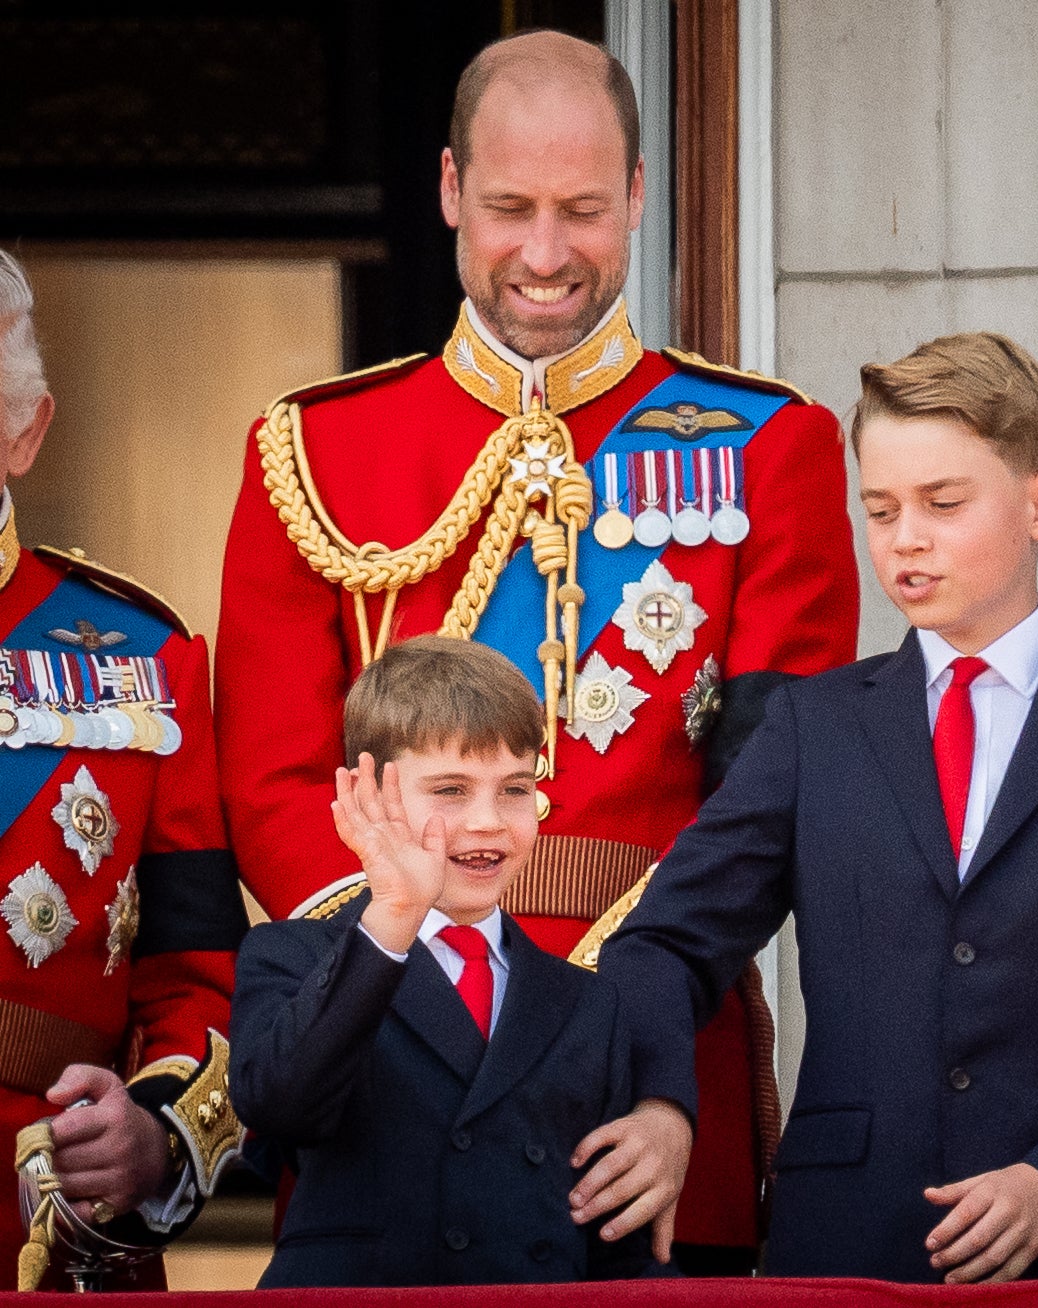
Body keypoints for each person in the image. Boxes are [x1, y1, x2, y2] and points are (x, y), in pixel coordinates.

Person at [213, 30, 858, 1268]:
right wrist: (402, 967)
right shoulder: (311, 451)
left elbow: (770, 805)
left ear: (637, 198)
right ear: (451, 190)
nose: (546, 255)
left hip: (650, 1065)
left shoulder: (770, 443)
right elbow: (273, 781)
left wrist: (637, 1032)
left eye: (581, 211)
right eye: (510, 209)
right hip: (385, 1039)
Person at [596, 332, 1038, 1283]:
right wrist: (662, 1104)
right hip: (846, 1242)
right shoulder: (809, 727)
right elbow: (664, 944)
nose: (905, 538)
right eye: (880, 509)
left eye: (943, 504)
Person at [230, 637, 652, 1287]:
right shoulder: (291, 955)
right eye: (450, 790)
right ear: (369, 792)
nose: (487, 821)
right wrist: (394, 914)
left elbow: (612, 1246)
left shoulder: (588, 1002)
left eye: (515, 789)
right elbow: (280, 1104)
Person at [0, 250, 247, 1286]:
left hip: (47, 1228)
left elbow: (203, 979)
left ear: (26, 429)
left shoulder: (141, 658)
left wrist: (151, 1131)